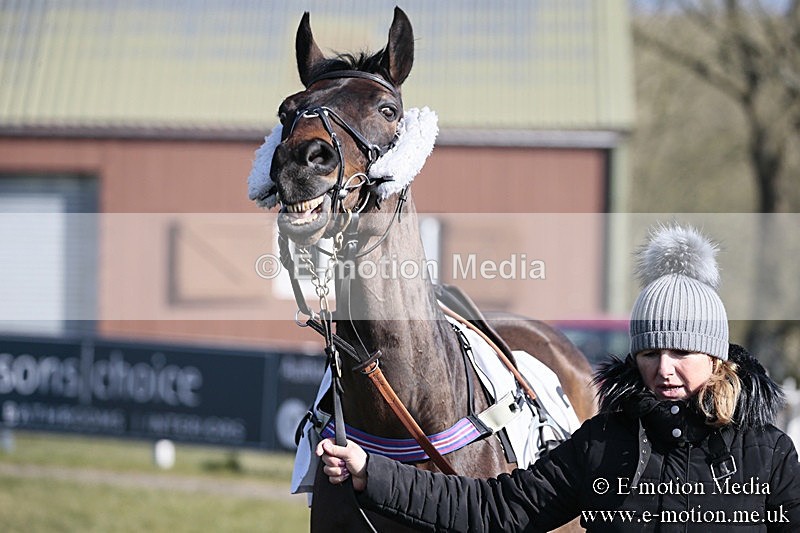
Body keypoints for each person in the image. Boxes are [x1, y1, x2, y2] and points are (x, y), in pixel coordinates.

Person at [316, 224, 800, 532]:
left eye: (682, 351)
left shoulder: (768, 453)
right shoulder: (603, 444)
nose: (663, 368)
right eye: (649, 352)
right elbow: (494, 509)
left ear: (716, 357)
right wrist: (371, 472)